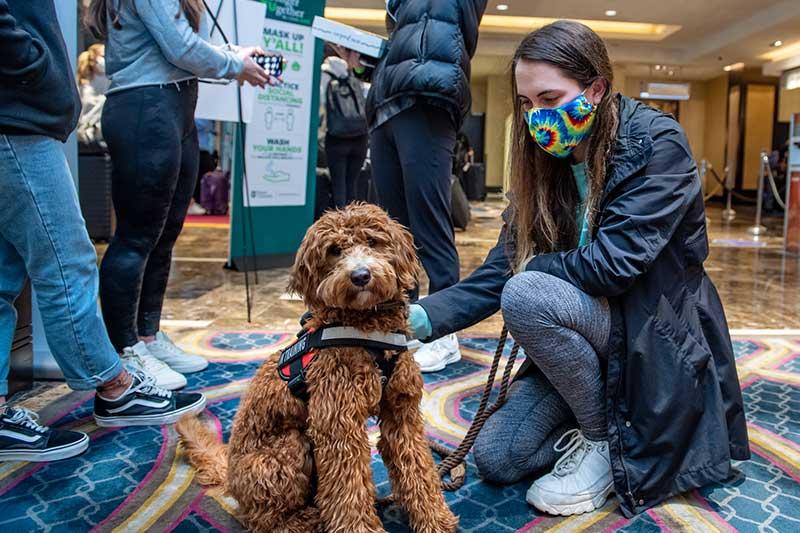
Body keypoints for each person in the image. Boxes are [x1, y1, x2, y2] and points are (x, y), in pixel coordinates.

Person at [406, 21, 749, 517]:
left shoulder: (656, 143)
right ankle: (603, 419)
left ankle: (601, 440)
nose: (537, 117)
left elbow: (613, 266)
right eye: (527, 104)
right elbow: (501, 267)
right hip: (584, 335)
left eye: (550, 98)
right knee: (499, 458)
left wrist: (531, 267)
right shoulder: (549, 159)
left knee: (527, 294)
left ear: (597, 88)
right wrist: (417, 318)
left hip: (651, 334)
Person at [0, 0, 207, 463]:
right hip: (17, 116)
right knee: (66, 260)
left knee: (4, 280)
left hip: (20, 112)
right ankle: (115, 385)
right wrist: (37, 70)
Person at [86, 0, 270, 389]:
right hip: (145, 107)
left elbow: (180, 45)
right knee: (136, 238)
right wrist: (237, 64)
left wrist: (233, 56)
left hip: (173, 106)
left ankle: (148, 336)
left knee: (164, 235)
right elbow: (181, 48)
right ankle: (124, 350)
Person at [367, 0, 487, 372]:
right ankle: (400, 320)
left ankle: (442, 330)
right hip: (387, 99)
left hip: (430, 93)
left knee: (429, 221)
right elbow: (402, 36)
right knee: (392, 229)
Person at [320, 44, 369, 209]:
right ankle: (354, 227)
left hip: (336, 137)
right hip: (360, 137)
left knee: (338, 186)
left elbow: (320, 104)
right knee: (352, 186)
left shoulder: (323, 74)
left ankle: (339, 229)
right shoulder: (354, 75)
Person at [76, 43, 109, 149]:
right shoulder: (83, 84)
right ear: (93, 58)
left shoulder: (111, 81)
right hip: (85, 137)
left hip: (104, 137)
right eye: (103, 56)